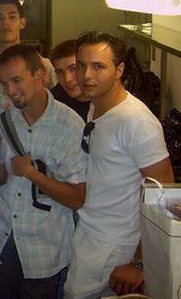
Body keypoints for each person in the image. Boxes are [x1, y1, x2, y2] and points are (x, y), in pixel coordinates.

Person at [64, 31, 175, 299]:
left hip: (117, 249)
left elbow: (163, 192)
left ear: (119, 70)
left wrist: (139, 262)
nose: (86, 75)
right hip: (90, 236)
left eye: (98, 66)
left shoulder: (136, 121)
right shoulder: (97, 106)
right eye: (81, 66)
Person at [0, 44, 87, 299]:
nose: (10, 90)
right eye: (4, 83)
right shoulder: (5, 120)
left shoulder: (70, 126)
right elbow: (2, 177)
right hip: (3, 240)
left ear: (40, 75)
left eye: (17, 80)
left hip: (45, 248)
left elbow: (77, 198)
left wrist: (33, 174)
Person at [0, 0, 56, 90]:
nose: (5, 22)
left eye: (12, 17)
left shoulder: (42, 64)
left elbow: (55, 96)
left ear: (22, 23)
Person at [49, 39, 91, 121]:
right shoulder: (53, 102)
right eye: (60, 72)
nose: (67, 79)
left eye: (73, 69)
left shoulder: (106, 100)